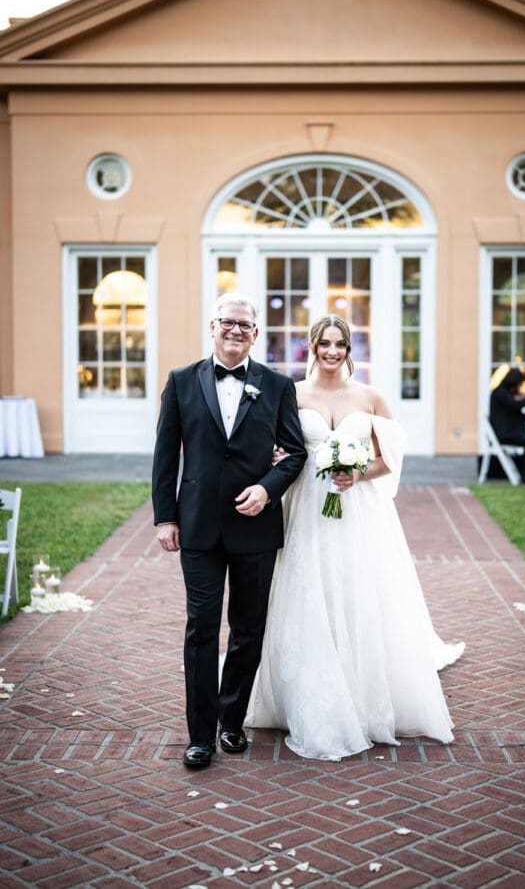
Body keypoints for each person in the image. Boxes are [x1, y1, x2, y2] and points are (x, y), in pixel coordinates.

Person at [245, 315, 464, 761]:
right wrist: (274, 453)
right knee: (308, 590)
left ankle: (362, 686)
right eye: (324, 343)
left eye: (339, 344)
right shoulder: (291, 393)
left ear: (349, 349)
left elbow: (389, 460)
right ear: (311, 346)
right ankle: (306, 690)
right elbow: (276, 445)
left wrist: (357, 472)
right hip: (305, 505)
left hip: (357, 510)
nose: (331, 351)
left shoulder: (371, 397)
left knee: (357, 589)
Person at [152, 294, 307, 768]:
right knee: (201, 628)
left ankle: (231, 722)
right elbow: (165, 454)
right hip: (197, 525)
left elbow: (296, 453)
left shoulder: (278, 386)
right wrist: (165, 516)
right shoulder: (181, 381)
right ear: (212, 326)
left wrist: (267, 489)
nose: (236, 330)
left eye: (245, 324)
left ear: (256, 333)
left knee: (247, 628)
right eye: (228, 322)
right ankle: (199, 736)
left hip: (254, 525)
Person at [489, 367, 525, 483]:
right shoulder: (499, 393)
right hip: (505, 434)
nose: (519, 389)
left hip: (513, 431)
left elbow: (521, 417)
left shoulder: (507, 395)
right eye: (519, 385)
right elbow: (515, 405)